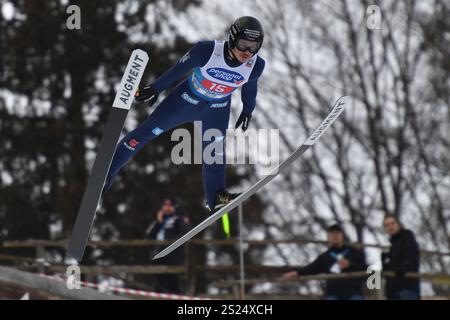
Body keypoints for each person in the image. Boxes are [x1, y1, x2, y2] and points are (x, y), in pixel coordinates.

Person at [102, 16, 266, 212]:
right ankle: (107, 173)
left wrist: (248, 110)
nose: (247, 52)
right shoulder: (206, 51)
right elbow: (177, 70)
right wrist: (155, 88)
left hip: (217, 108)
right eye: (243, 44)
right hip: (186, 100)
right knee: (146, 132)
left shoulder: (255, 65)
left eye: (253, 47)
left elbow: (250, 88)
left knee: (214, 151)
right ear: (232, 38)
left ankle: (216, 195)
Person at [283, 224, 367, 300]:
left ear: (342, 235)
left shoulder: (354, 252)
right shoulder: (325, 257)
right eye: (332, 233)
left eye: (337, 233)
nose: (335, 236)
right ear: (328, 237)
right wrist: (297, 273)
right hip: (334, 294)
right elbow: (312, 268)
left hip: (354, 293)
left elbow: (364, 269)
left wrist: (350, 264)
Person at [146, 197, 190, 294]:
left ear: (175, 206)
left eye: (169, 205)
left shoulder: (180, 219)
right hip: (158, 255)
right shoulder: (159, 221)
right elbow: (149, 237)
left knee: (173, 282)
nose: (166, 208)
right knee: (160, 284)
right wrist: (159, 222)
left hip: (173, 256)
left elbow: (184, 233)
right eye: (165, 205)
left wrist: (169, 243)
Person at [381, 215, 420, 300]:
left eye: (392, 223)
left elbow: (411, 257)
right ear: (385, 229)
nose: (390, 227)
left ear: (398, 224)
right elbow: (386, 271)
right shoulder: (390, 248)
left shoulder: (407, 237)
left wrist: (404, 268)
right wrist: (384, 261)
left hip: (407, 287)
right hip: (392, 291)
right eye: (387, 225)